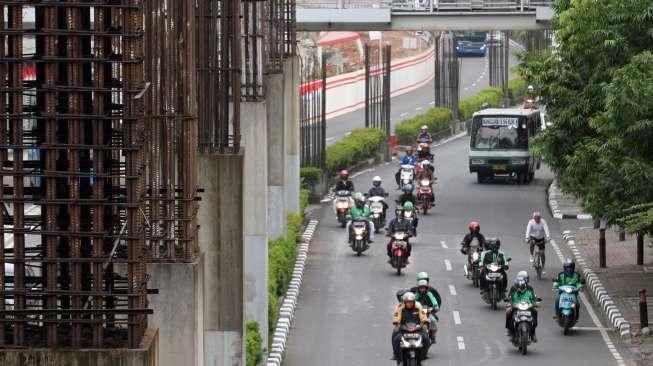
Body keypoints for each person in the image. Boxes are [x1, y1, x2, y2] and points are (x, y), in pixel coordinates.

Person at [392, 292, 430, 363]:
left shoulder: (418, 307)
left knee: (426, 338)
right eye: (408, 302)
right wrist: (397, 324)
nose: (410, 304)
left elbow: (423, 316)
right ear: (404, 302)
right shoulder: (400, 308)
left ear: (414, 302)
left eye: (411, 302)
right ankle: (396, 355)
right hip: (403, 330)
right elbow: (397, 316)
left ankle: (423, 356)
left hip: (418, 329)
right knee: (395, 338)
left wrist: (424, 323)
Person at [505, 273, 539, 342]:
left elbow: (533, 297)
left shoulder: (530, 288)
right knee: (508, 312)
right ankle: (510, 330)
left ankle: (533, 333)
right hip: (516, 305)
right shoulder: (513, 288)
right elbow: (509, 297)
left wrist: (535, 303)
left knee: (535, 312)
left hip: (527, 306)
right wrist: (509, 303)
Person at [411, 272, 442, 343]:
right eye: (421, 288)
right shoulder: (416, 294)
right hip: (418, 311)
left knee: (433, 321)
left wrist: (435, 306)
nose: (422, 289)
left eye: (424, 288)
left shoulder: (429, 293)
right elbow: (413, 300)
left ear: (426, 288)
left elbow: (434, 300)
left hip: (428, 312)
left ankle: (433, 336)